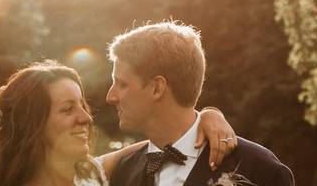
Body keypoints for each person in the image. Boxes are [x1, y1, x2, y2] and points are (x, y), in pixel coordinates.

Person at [0, 60, 237, 186]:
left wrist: (207, 115)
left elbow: (168, 137)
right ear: (31, 124)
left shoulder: (92, 174)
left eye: (83, 105)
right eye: (68, 109)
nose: (86, 118)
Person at [106, 21, 295, 186]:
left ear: (157, 88)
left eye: (122, 84)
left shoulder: (260, 170)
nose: (110, 97)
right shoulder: (123, 172)